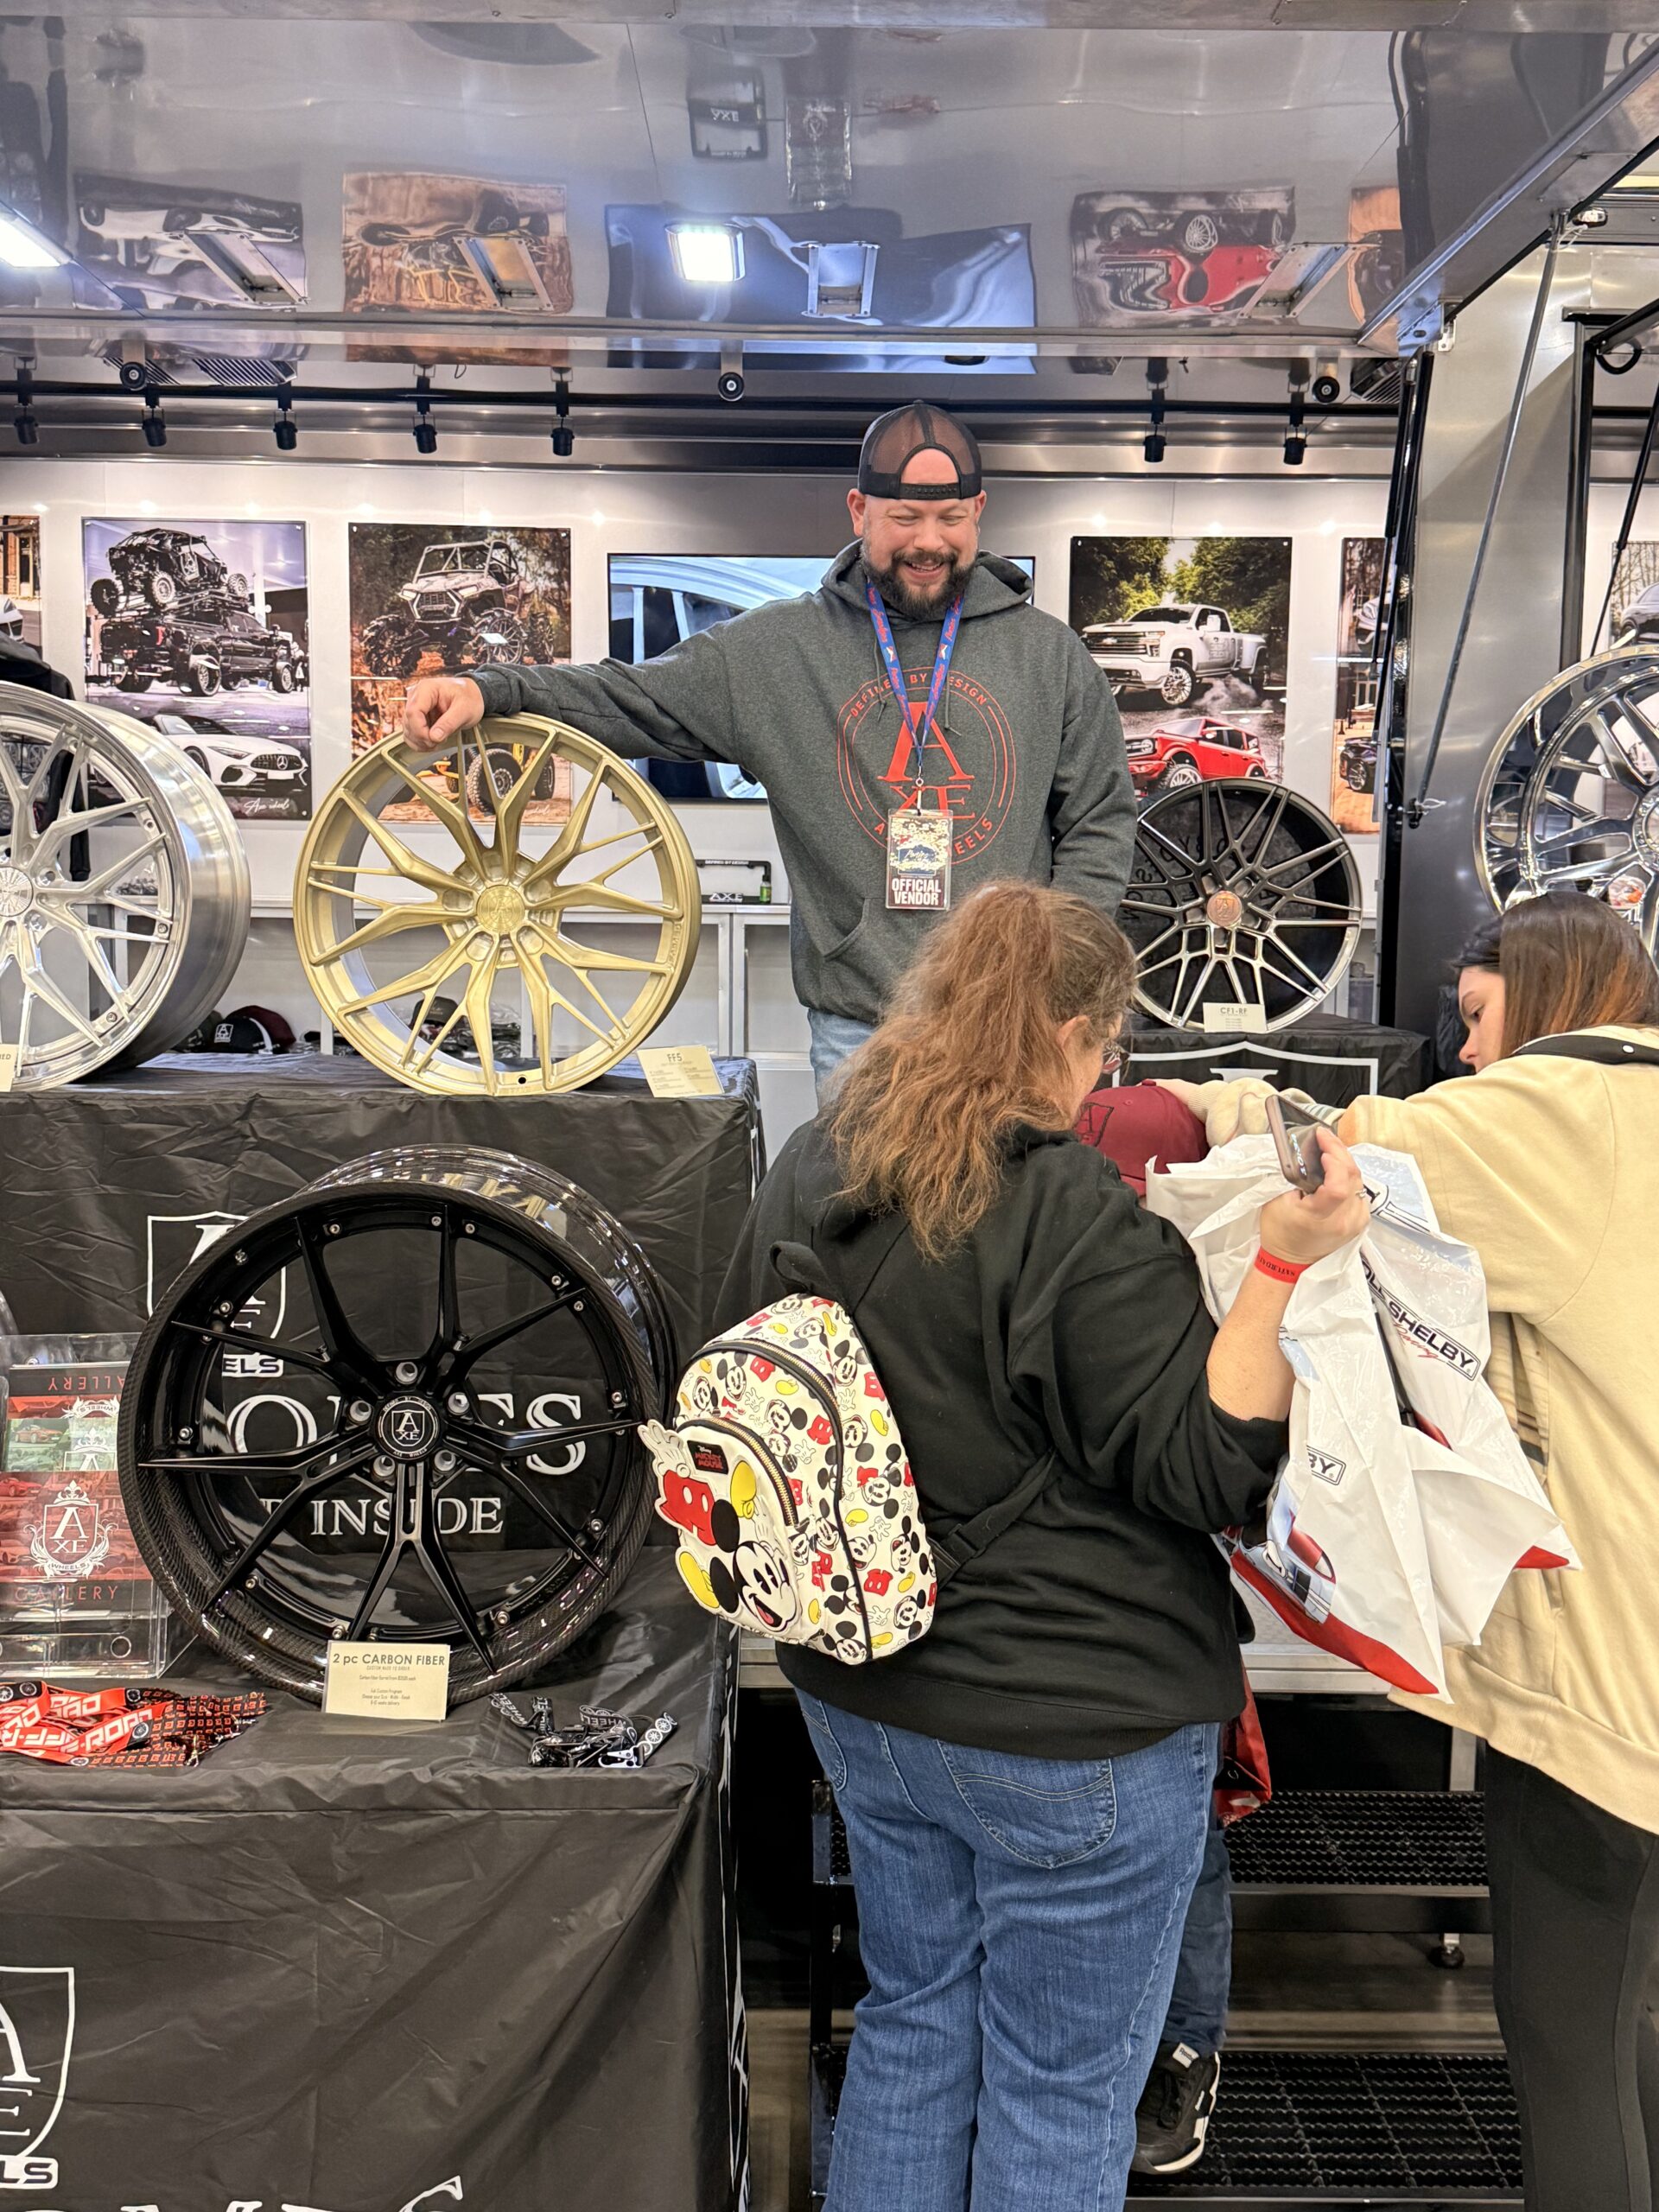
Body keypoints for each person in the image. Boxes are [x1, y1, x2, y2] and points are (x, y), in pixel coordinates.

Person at [715, 880, 1370, 2212]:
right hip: (1077, 1722)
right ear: (1076, 1033)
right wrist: (1282, 1265)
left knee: (912, 2026)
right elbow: (1204, 1468)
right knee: (1061, 2086)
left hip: (864, 1686)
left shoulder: (820, 1160)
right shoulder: (1068, 1208)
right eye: (1105, 1047)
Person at [1170, 889, 1659, 2212]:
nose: (1473, 1052)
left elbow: (1335, 1147)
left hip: (1611, 1695)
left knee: (1566, 2046)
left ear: (1554, 999)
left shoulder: (1570, 1111)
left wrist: (1186, 1098)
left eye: (1485, 1017)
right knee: (1630, 2023)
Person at [398, 404, 1135, 1096]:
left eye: (950, 518)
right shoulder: (780, 649)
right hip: (861, 1033)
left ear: (979, 511)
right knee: (863, 1198)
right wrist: (490, 689)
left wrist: (1058, 978)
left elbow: (1098, 821)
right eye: (904, 518)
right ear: (859, 511)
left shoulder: (1052, 657)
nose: (928, 543)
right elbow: (631, 695)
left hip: (1015, 1032)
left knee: (1020, 1199)